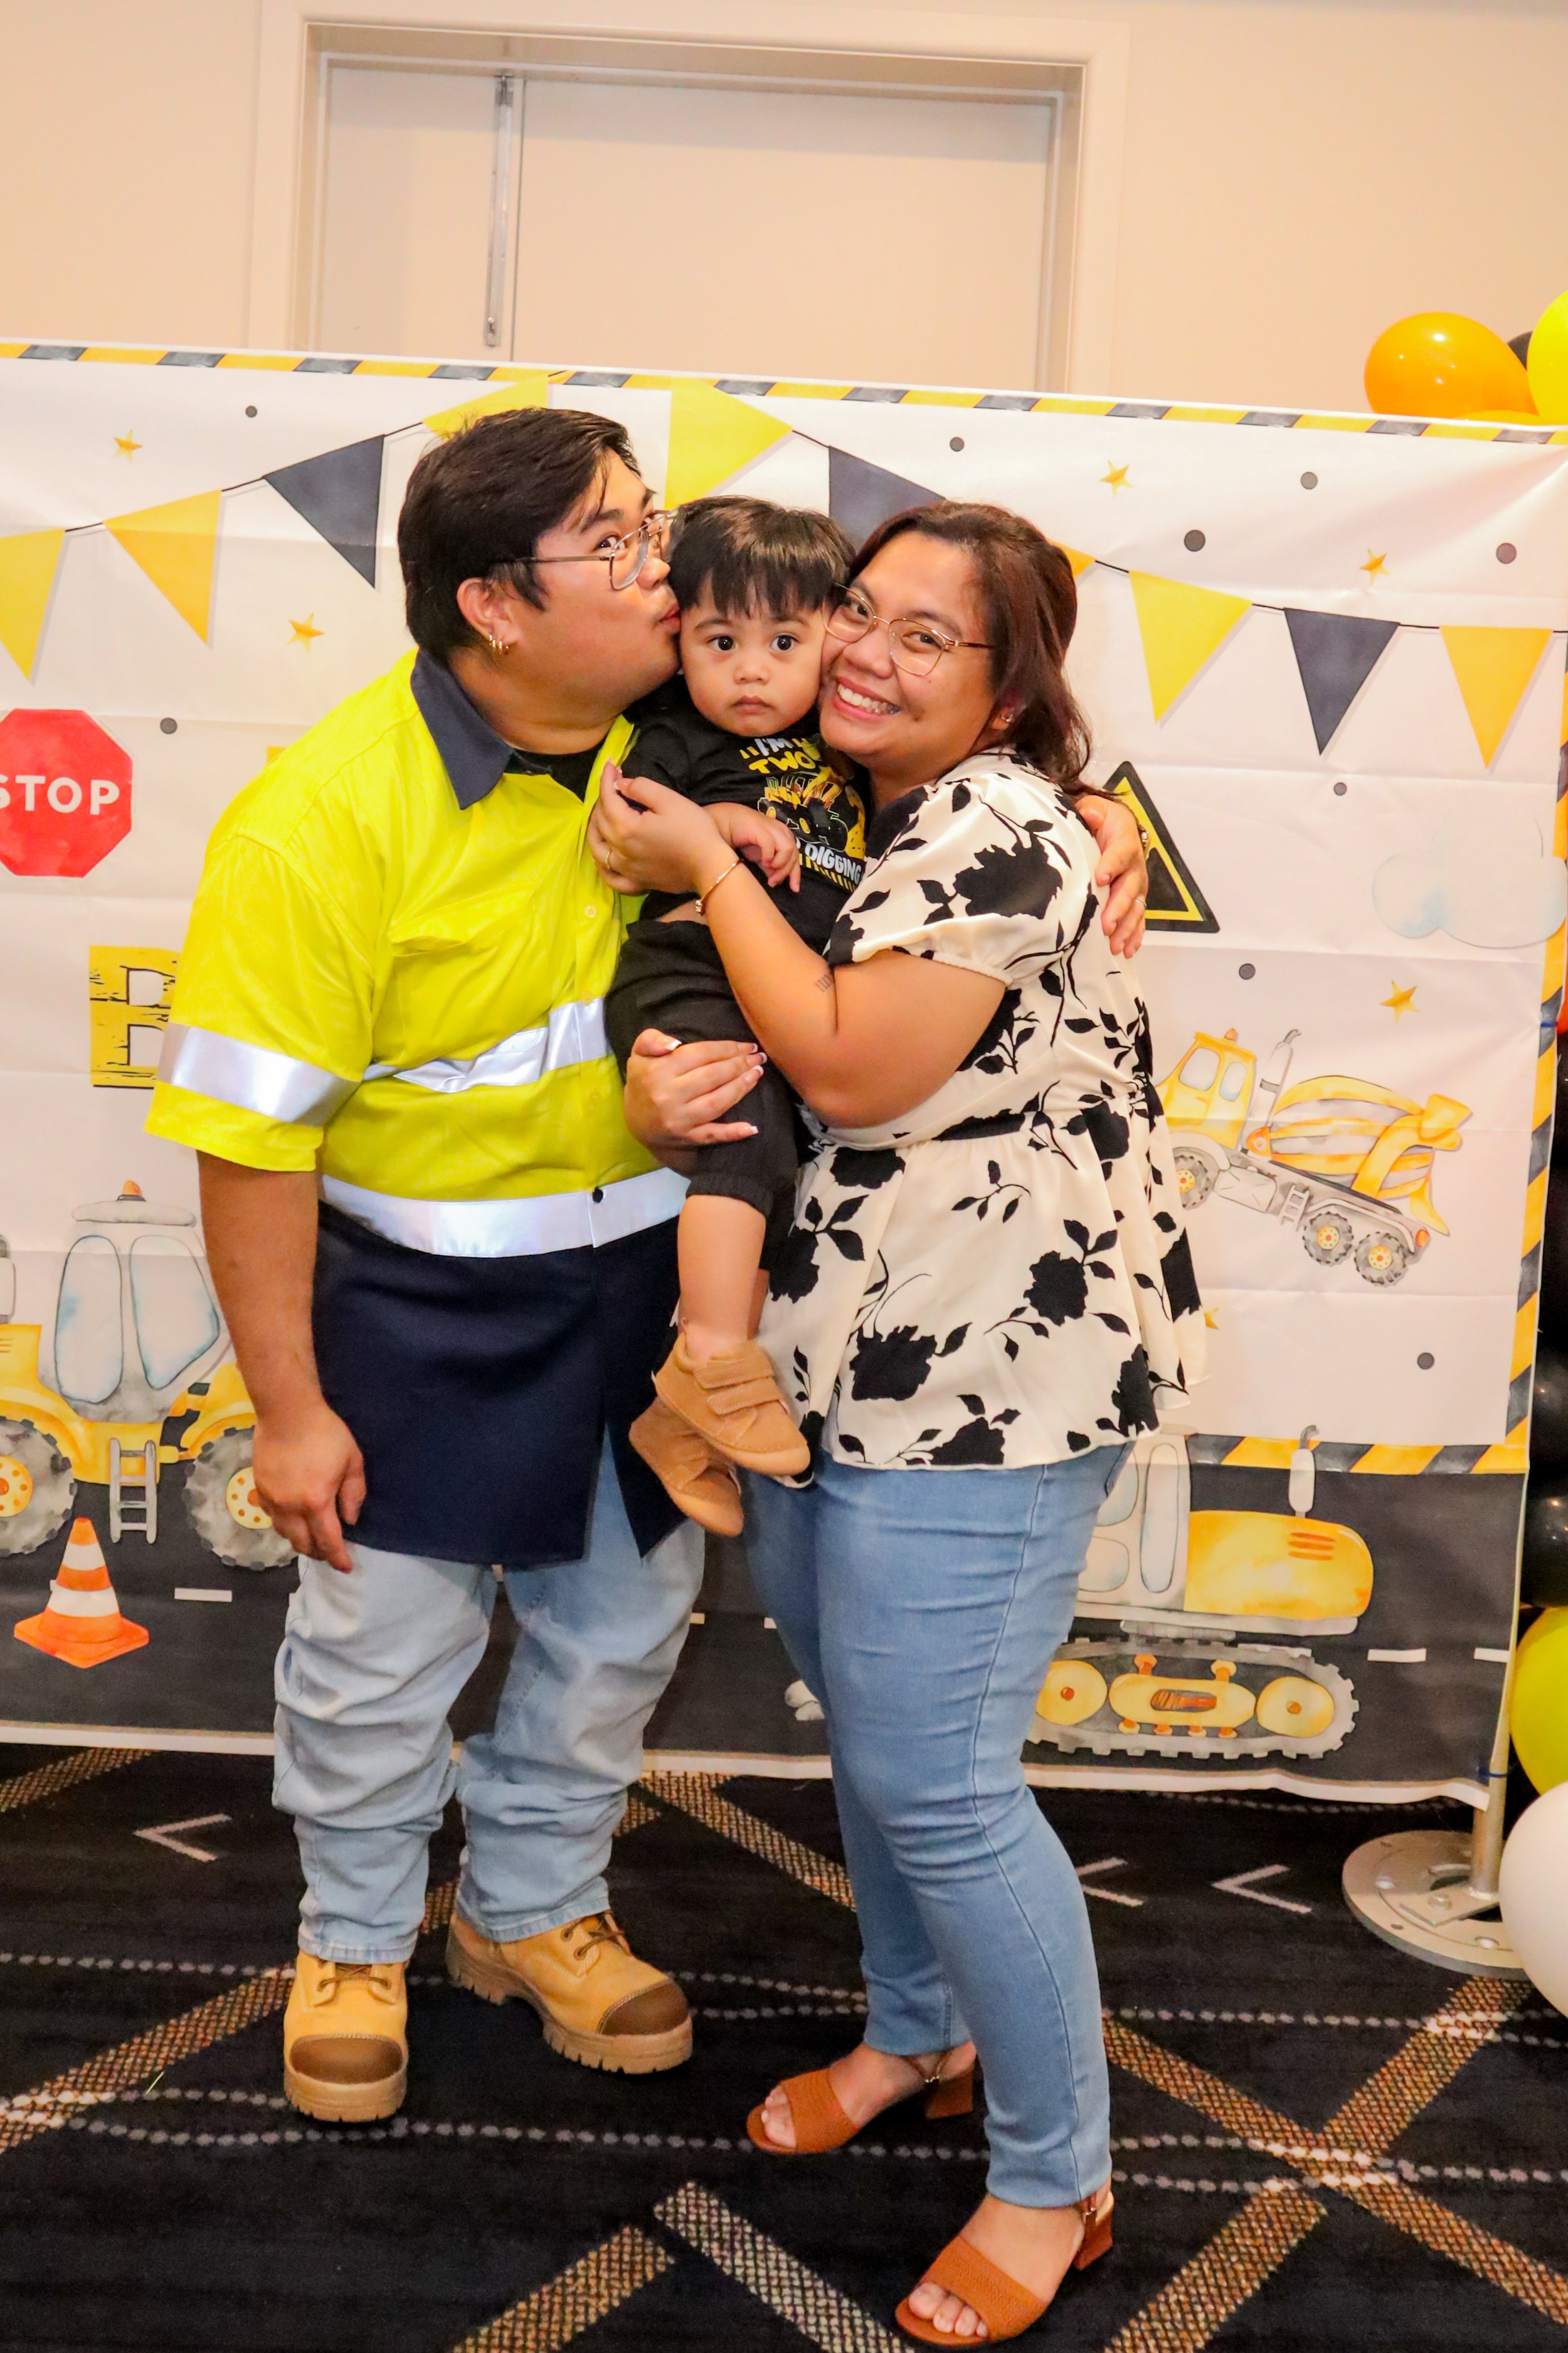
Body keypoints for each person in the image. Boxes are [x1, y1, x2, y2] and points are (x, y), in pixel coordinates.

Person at [593, 502, 1202, 2345]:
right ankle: (916, 2032)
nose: (861, 647)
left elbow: (852, 1062)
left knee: (936, 1780)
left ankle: (1057, 2178)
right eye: (860, 608)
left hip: (990, 1390)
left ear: (1010, 685)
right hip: (838, 1357)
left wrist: (705, 875)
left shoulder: (1006, 820)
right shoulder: (890, 805)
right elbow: (786, 1048)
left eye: (924, 636)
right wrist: (666, 1068)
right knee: (876, 1746)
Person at [143, 407, 770, 2123]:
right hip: (415, 1306)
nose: (670, 573)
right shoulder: (322, 819)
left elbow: (908, 722)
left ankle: (531, 1912)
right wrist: (288, 1411)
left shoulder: (699, 729)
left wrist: (1082, 809)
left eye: (656, 527)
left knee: (616, 1633)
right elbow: (251, 1144)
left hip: (648, 1293)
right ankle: (350, 1935)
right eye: (621, 547)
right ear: (493, 605)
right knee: (379, 1654)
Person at [604, 497, 866, 1533]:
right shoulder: (670, 736)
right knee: (742, 1144)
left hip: (794, 992)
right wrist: (718, 823)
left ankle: (675, 1420)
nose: (751, 670)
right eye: (722, 642)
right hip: (689, 972)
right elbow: (622, 830)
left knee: (781, 1187)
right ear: (680, 644)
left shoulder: (841, 743)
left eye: (784, 642)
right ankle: (714, 1346)